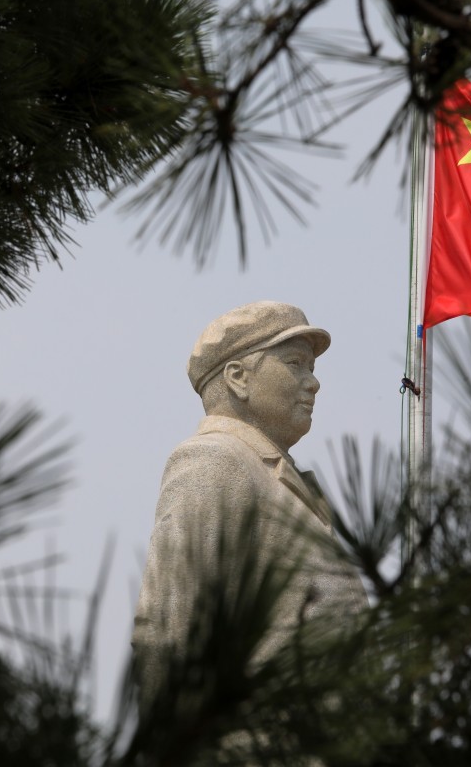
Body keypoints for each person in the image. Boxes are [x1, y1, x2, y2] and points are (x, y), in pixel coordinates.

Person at [132, 301, 368, 704]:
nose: (313, 383)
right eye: (295, 363)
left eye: (311, 369)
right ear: (238, 378)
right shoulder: (216, 459)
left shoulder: (281, 480)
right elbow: (170, 624)